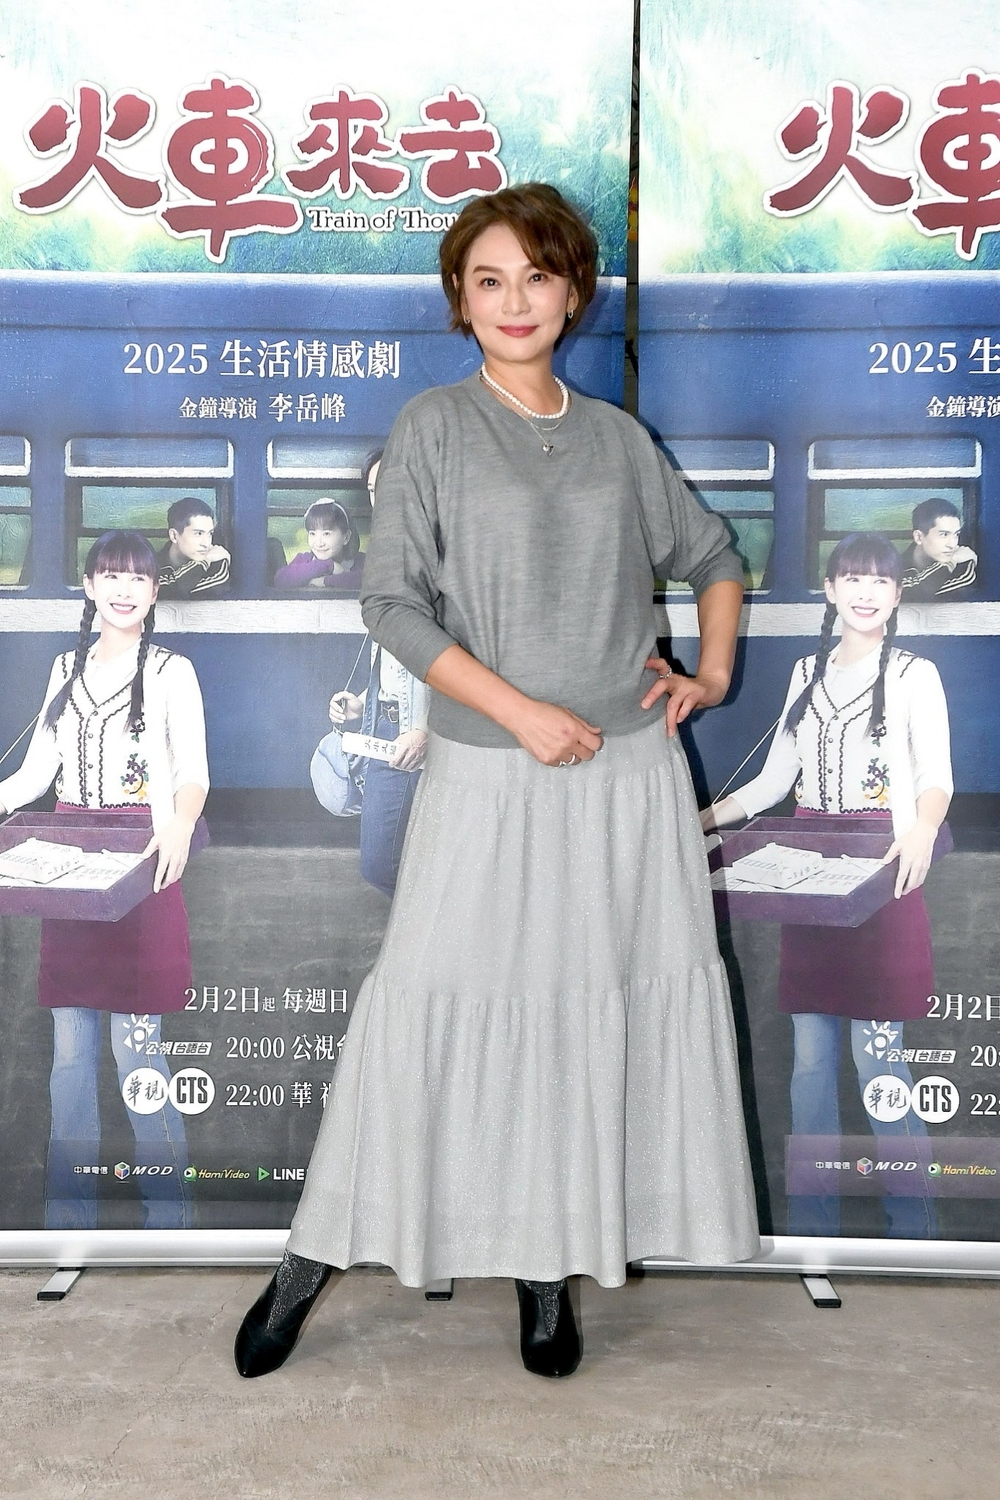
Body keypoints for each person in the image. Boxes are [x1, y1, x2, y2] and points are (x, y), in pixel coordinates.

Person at [235, 182, 759, 1381]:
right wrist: (519, 713)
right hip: (486, 772)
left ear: (572, 293)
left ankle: (546, 1273)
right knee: (422, 1006)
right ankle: (309, 1262)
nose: (514, 300)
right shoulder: (433, 426)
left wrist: (713, 673)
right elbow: (390, 604)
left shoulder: (617, 439)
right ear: (460, 302)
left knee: (581, 1014)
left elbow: (713, 556)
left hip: (627, 778)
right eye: (488, 280)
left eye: (537, 276)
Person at [703, 532, 952, 1238]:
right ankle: (814, 1226)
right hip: (811, 884)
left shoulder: (915, 674)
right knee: (811, 1064)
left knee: (880, 1061)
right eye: (853, 578)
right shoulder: (805, 672)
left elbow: (937, 776)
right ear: (831, 589)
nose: (866, 592)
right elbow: (773, 782)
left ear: (897, 595)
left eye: (881, 581)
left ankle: (913, 1226)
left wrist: (922, 829)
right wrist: (698, 822)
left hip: (883, 875)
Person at [0, 530, 209, 1229]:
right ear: (89, 586)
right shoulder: (65, 667)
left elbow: (193, 771)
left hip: (141, 864)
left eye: (138, 578)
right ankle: (70, 1221)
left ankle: (171, 1218)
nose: (124, 589)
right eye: (110, 576)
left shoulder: (173, 671)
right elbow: (34, 775)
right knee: (69, 1057)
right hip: (70, 870)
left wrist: (179, 824)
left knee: (135, 1054)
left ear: (155, 590)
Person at [326, 453, 429, 896]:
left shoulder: (438, 559)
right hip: (385, 725)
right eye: (373, 490)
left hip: (421, 733)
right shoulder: (390, 556)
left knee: (391, 863)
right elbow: (395, 656)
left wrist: (426, 728)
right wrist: (363, 705)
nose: (381, 499)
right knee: (384, 862)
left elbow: (460, 655)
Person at [273, 499, 365, 589]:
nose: (318, 543)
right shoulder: (304, 560)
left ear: (346, 537)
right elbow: (280, 579)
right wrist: (328, 565)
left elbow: (365, 580)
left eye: (326, 534)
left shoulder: (361, 562)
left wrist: (324, 581)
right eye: (312, 534)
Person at [901, 497, 977, 601]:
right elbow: (911, 593)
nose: (952, 544)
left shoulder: (962, 566)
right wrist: (952, 561)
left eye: (956, 534)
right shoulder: (895, 565)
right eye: (944, 534)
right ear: (919, 537)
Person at [156, 497, 231, 597]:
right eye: (198, 533)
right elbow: (166, 590)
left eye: (210, 533)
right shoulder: (151, 564)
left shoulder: (217, 562)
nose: (206, 543)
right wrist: (206, 560)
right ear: (174, 536)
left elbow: (217, 584)